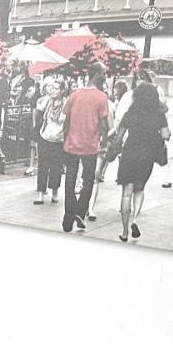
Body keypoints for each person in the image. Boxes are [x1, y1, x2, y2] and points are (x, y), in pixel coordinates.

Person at [110, 81, 168, 242]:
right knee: (139, 189)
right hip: (147, 154)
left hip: (130, 152)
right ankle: (135, 219)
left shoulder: (130, 112)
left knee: (126, 192)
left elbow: (119, 138)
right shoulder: (158, 114)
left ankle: (124, 232)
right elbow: (166, 135)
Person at [61, 69, 111, 232]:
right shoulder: (102, 97)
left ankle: (68, 217)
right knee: (89, 179)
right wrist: (104, 142)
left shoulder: (74, 95)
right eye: (102, 74)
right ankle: (80, 211)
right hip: (90, 145)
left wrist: (65, 138)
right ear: (96, 77)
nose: (104, 77)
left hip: (71, 143)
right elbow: (103, 123)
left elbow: (66, 120)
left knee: (70, 178)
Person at [33, 77, 67, 206]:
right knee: (43, 165)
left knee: (56, 167)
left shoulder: (66, 104)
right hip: (45, 137)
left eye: (56, 88)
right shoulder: (46, 101)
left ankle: (54, 192)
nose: (53, 90)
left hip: (59, 140)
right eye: (52, 87)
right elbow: (38, 115)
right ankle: (41, 193)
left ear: (63, 90)